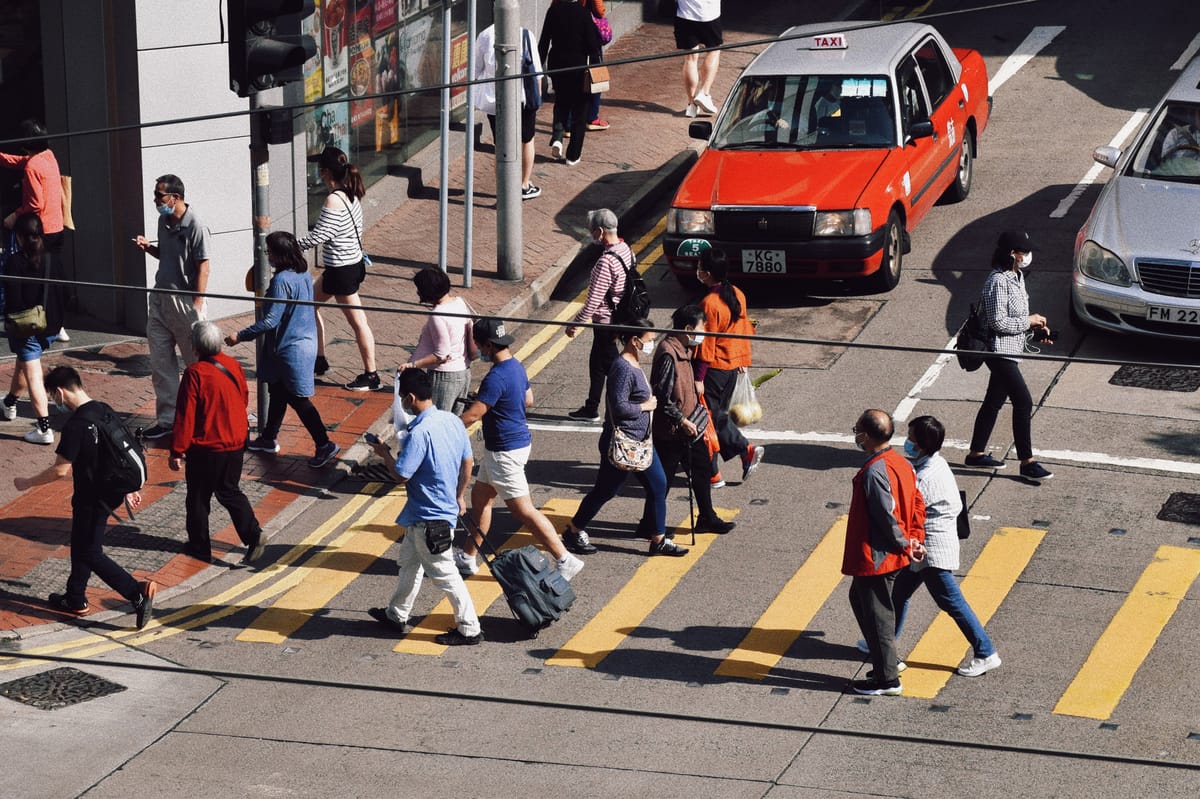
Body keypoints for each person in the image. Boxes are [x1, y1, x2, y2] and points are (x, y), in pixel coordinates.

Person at [13, 366, 157, 629]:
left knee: (89, 551)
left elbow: (60, 470)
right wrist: (128, 486)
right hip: (109, 491)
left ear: (59, 392)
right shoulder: (103, 409)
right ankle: (75, 598)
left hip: (93, 496)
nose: (55, 403)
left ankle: (136, 592)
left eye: (53, 397)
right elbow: (119, 449)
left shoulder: (77, 425)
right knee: (82, 544)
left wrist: (27, 483)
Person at [454, 318, 585, 581]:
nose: (479, 351)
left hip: (504, 452)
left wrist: (447, 426)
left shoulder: (495, 376)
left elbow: (473, 415)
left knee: (524, 510)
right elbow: (528, 399)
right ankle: (468, 557)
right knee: (481, 500)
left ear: (489, 345)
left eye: (480, 346)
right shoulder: (516, 367)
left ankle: (564, 558)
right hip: (509, 446)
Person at [365, 368, 483, 646]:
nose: (402, 404)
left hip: (429, 520)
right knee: (409, 564)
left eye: (402, 398)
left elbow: (401, 475)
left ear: (411, 397)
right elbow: (468, 462)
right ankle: (396, 614)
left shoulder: (419, 433)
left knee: (445, 574)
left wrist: (384, 454)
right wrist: (459, 495)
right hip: (434, 513)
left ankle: (470, 628)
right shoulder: (453, 422)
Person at [561, 318, 689, 557]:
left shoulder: (634, 362)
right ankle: (574, 530)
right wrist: (645, 406)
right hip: (622, 443)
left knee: (658, 485)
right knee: (605, 491)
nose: (651, 344)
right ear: (634, 340)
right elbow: (619, 407)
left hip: (640, 443)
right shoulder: (622, 368)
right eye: (649, 340)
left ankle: (658, 539)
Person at [888, 415, 1001, 678]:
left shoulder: (924, 477)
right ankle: (884, 642)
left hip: (930, 550)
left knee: (952, 602)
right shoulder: (935, 463)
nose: (907, 443)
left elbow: (906, 513)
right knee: (899, 593)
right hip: (930, 546)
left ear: (923, 444)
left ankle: (985, 652)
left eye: (912, 439)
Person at [226, 231, 340, 469]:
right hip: (300, 343)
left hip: (291, 349)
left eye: (269, 252)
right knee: (278, 391)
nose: (268, 256)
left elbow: (270, 321)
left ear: (279, 254)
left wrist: (240, 336)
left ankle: (324, 444)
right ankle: (268, 438)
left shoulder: (281, 281)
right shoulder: (303, 274)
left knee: (298, 400)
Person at [843, 409, 926, 696]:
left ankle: (887, 679)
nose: (855, 434)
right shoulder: (901, 464)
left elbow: (886, 517)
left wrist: (906, 543)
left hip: (878, 556)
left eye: (857, 429)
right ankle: (887, 661)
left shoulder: (873, 472)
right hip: (894, 551)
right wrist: (915, 539)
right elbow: (917, 503)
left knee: (878, 615)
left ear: (865, 436)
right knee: (860, 600)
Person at [169, 321, 265, 566]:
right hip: (235, 443)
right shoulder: (233, 365)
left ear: (195, 346)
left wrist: (177, 451)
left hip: (207, 447)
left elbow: (185, 416)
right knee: (229, 490)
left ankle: (199, 546)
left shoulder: (194, 374)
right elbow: (243, 397)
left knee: (198, 498)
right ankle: (253, 534)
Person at [964, 230, 1054, 482]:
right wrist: (1028, 321)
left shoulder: (1017, 276)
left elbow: (1015, 320)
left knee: (993, 402)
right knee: (1024, 402)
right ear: (1011, 254)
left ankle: (976, 454)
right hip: (998, 351)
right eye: (1023, 252)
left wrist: (1035, 329)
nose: (1027, 256)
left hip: (1011, 350)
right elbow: (997, 322)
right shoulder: (997, 281)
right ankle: (1027, 462)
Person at [134, 173, 210, 441]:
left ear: (175, 197)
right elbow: (166, 256)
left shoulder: (196, 225)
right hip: (159, 299)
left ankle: (204, 420)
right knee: (161, 363)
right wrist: (149, 249)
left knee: (196, 366)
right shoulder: (162, 220)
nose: (156, 201)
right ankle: (167, 420)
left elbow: (203, 265)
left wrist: (197, 304)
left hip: (184, 302)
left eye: (159, 196)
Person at [647, 304, 735, 535]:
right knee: (662, 481)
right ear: (687, 329)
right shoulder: (668, 354)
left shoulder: (684, 350)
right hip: (672, 432)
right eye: (701, 328)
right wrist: (681, 421)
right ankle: (649, 524)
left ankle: (707, 517)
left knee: (702, 471)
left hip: (690, 428)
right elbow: (662, 397)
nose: (703, 332)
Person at [299, 146, 380, 392]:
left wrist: (292, 245)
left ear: (324, 172)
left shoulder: (333, 199)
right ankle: (319, 360)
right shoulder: (350, 194)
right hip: (349, 265)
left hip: (341, 270)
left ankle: (372, 375)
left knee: (359, 322)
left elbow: (320, 235)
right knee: (308, 304)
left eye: (318, 169)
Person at [694, 248, 764, 486]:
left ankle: (723, 466)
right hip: (733, 367)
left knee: (706, 420)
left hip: (714, 369)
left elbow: (706, 344)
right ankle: (726, 463)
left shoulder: (709, 304)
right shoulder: (737, 293)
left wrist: (698, 378)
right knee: (715, 417)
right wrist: (743, 360)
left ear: (707, 273)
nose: (698, 270)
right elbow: (743, 330)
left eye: (700, 267)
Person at [563, 208, 634, 422]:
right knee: (597, 364)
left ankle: (630, 400)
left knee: (616, 366)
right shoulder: (626, 249)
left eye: (592, 231)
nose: (591, 234)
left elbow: (593, 300)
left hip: (605, 322)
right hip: (618, 317)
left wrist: (575, 323)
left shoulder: (605, 262)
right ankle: (591, 406)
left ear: (600, 231)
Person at [1, 213, 66, 445]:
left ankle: (44, 428)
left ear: (19, 236)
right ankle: (9, 403)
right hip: (50, 325)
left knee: (33, 374)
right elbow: (64, 292)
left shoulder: (14, 261)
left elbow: (13, 299)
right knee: (24, 362)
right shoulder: (52, 259)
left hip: (26, 326)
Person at [473, 22, 544, 200]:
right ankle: (524, 184)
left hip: (495, 101)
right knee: (527, 141)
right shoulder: (525, 35)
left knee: (501, 146)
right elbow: (537, 72)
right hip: (523, 98)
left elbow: (475, 70)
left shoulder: (485, 35)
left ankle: (504, 190)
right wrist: (538, 96)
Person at [402, 267, 478, 412]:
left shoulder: (437, 316)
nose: (417, 292)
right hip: (464, 372)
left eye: (419, 288)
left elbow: (441, 355)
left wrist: (413, 365)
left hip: (444, 376)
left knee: (437, 419)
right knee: (453, 421)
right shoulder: (460, 302)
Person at [538, 0, 603, 166]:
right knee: (580, 111)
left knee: (561, 102)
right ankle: (573, 155)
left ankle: (558, 137)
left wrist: (538, 68)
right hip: (579, 67)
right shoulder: (583, 13)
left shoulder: (553, 11)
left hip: (557, 65)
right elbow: (593, 45)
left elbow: (544, 41)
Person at [556, 0, 611, 132]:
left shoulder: (556, 10)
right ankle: (591, 118)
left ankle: (566, 125)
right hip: (587, 30)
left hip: (567, 35)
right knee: (595, 75)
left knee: (568, 81)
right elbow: (599, 10)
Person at [676, 0, 723, 118]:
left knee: (690, 59)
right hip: (710, 15)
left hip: (685, 16)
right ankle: (704, 93)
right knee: (714, 50)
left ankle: (691, 104)